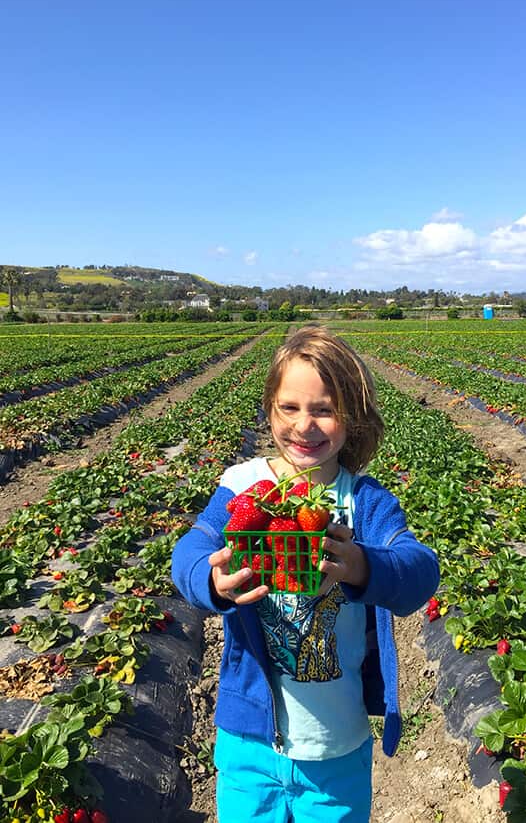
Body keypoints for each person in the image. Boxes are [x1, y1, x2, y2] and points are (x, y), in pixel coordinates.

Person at [171, 326, 440, 822]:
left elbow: (421, 570)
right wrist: (210, 581)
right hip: (249, 740)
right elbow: (190, 548)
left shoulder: (366, 502)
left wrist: (364, 565)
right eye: (289, 408)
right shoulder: (244, 487)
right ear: (271, 408)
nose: (305, 425)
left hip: (337, 743)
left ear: (351, 417)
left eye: (324, 409)